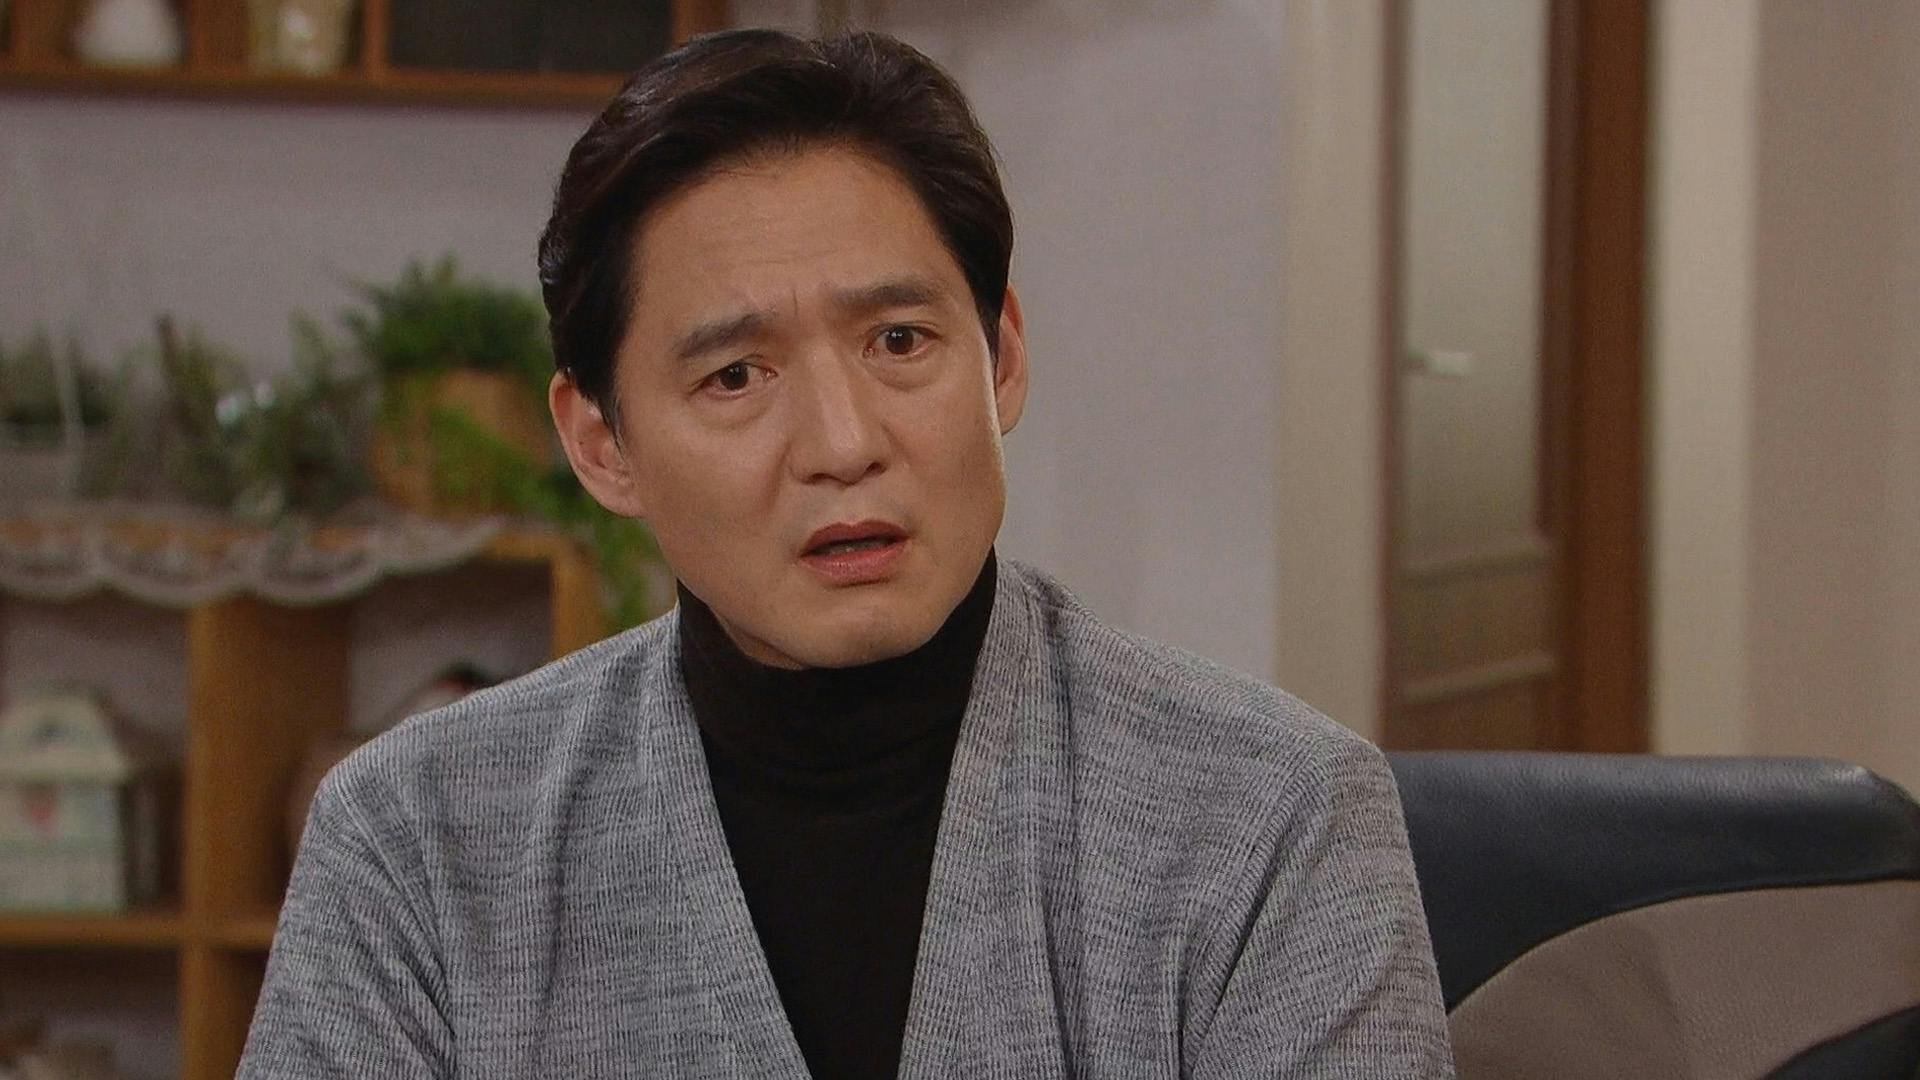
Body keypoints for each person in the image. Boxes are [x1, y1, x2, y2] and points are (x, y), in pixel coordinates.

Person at [239, 28, 1454, 1079]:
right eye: (735, 375)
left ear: (1003, 357)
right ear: (602, 443)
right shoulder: (419, 843)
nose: (842, 443)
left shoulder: (1271, 819)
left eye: (900, 341)